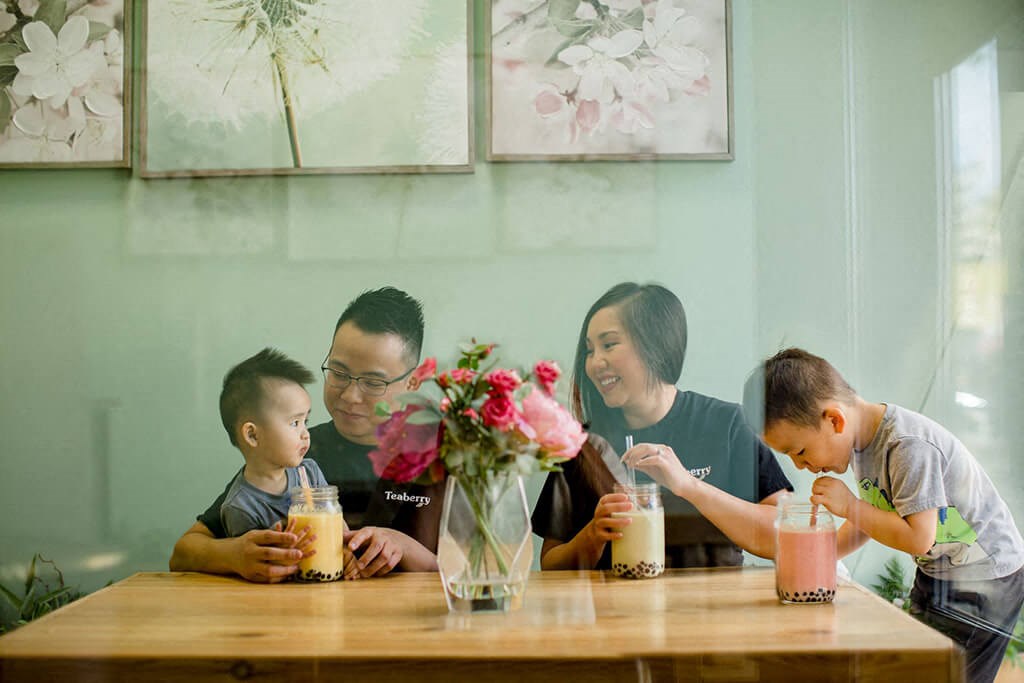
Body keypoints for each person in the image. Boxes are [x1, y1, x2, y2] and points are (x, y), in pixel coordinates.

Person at [744, 347, 1024, 683]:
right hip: (940, 573)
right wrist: (813, 558)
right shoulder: (865, 444)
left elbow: (920, 538)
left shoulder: (907, 445)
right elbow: (870, 522)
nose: (800, 465)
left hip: (986, 580)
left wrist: (850, 506)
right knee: (916, 667)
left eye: (800, 451)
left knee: (947, 675)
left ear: (834, 419)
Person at [170, 287, 442, 582]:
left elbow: (479, 565)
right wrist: (235, 554)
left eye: (373, 382)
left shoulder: (446, 457)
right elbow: (184, 552)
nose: (350, 395)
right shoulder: (293, 451)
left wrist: (402, 546)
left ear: (413, 383)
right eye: (338, 373)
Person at [532, 282, 792, 570]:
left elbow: (788, 534)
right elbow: (551, 563)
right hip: (617, 612)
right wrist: (592, 535)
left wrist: (689, 486)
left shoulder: (727, 424)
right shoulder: (582, 445)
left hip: (716, 611)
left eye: (609, 345)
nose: (594, 363)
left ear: (654, 344)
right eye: (590, 351)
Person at [216, 347, 335, 538]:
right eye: (295, 423)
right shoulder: (241, 508)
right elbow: (254, 561)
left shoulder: (309, 472)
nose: (305, 434)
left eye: (306, 422)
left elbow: (337, 529)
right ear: (253, 435)